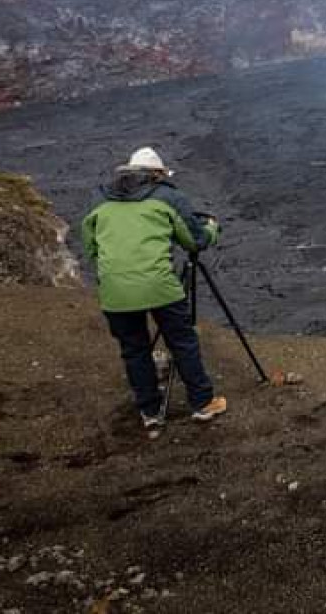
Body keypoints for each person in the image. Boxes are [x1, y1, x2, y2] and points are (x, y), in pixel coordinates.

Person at [81, 146, 227, 428]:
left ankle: (149, 412)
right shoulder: (168, 197)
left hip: (115, 289)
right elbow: (194, 241)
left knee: (134, 349)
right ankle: (202, 403)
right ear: (157, 175)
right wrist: (212, 228)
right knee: (182, 341)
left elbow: (91, 246)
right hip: (158, 285)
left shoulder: (99, 199)